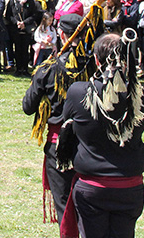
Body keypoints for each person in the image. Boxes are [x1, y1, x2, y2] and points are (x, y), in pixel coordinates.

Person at [57, 33, 144, 238]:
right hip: (129, 187)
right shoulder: (139, 94)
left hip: (93, 187)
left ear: (97, 60)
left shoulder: (78, 92)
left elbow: (67, 127)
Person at [22, 14, 86, 225]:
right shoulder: (93, 66)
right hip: (90, 144)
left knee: (64, 206)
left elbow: (27, 107)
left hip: (59, 145)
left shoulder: (48, 68)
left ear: (61, 33)